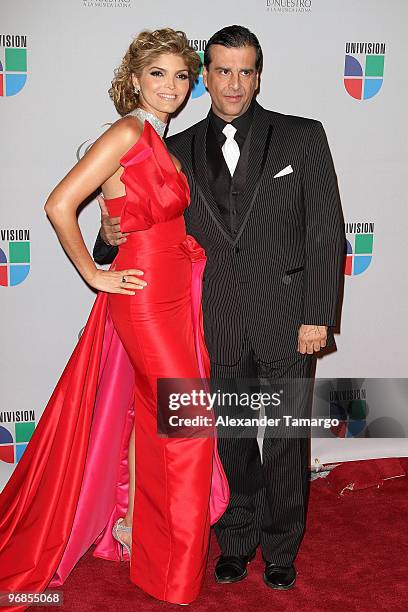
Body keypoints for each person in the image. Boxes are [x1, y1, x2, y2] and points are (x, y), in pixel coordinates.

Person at [94, 25, 345, 592]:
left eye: (246, 70)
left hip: (288, 317)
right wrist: (107, 236)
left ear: (259, 74)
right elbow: (130, 228)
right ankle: (236, 539)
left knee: (285, 441)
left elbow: (328, 232)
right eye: (222, 71)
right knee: (229, 439)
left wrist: (319, 315)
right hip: (211, 320)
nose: (234, 83)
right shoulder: (170, 148)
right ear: (204, 78)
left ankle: (281, 547)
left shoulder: (301, 138)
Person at [0, 29, 229, 608]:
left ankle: (137, 537)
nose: (172, 86)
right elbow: (58, 204)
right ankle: (170, 570)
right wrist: (94, 273)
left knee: (151, 418)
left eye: (182, 75)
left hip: (178, 289)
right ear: (134, 80)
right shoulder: (128, 131)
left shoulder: (161, 141)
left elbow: (128, 211)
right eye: (158, 74)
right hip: (146, 294)